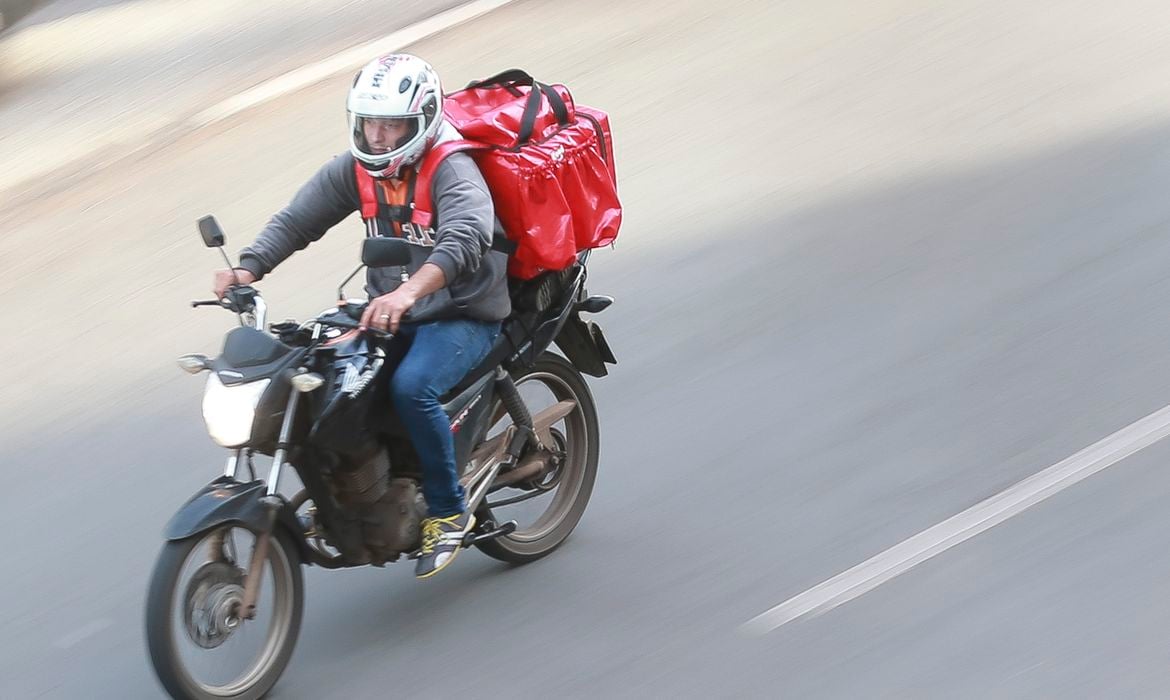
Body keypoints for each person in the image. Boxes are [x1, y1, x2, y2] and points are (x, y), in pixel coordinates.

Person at [212, 53, 510, 579]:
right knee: (320, 375)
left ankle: (447, 510)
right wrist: (248, 269)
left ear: (421, 122)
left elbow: (465, 238)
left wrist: (409, 293)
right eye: (370, 122)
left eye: (392, 123)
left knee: (411, 387)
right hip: (386, 308)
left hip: (461, 311)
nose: (377, 136)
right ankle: (350, 491)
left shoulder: (451, 168)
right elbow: (301, 217)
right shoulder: (357, 169)